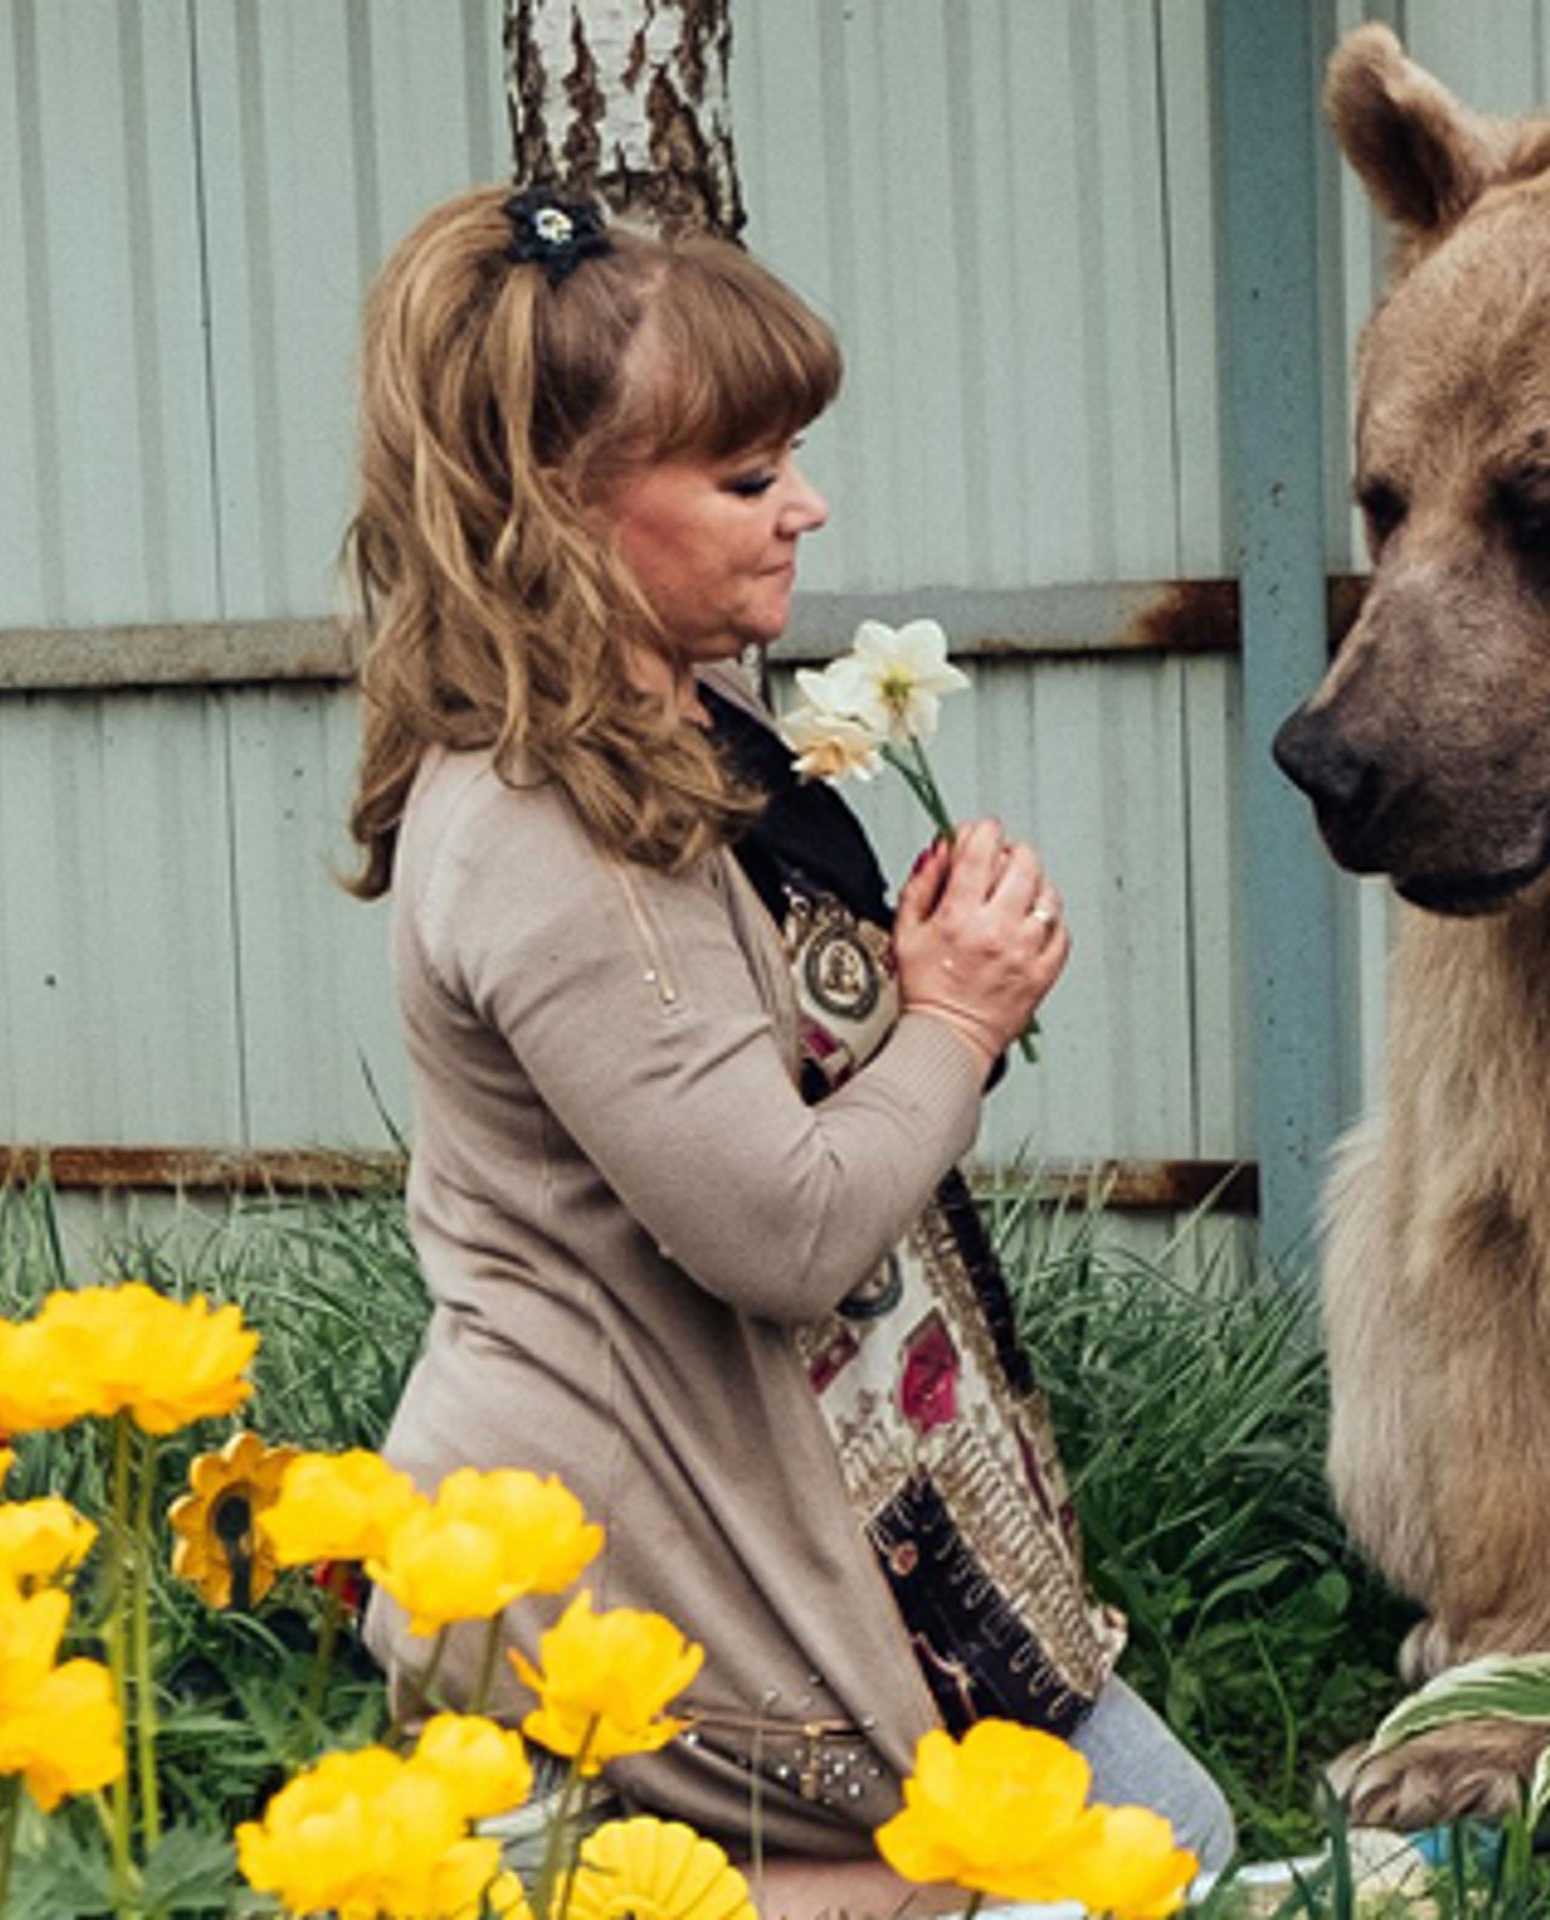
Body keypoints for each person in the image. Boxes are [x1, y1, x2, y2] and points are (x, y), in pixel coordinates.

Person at [339, 183, 1235, 1904]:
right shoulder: (553, 829)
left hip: (775, 1494)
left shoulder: (667, 724)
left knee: (1143, 1839)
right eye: (749, 480)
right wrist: (961, 1018)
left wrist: (908, 974)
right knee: (1140, 1853)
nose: (806, 509)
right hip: (643, 1543)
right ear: (556, 508)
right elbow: (787, 1227)